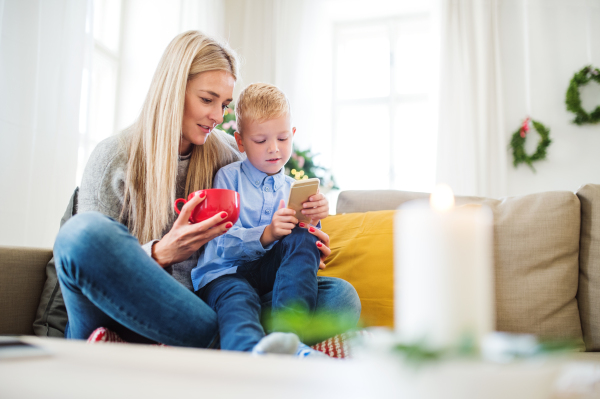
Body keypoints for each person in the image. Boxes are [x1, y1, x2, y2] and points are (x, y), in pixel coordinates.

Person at [53, 30, 360, 348]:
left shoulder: (228, 152)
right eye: (206, 99)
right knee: (82, 235)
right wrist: (162, 252)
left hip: (207, 307)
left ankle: (237, 341)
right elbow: (95, 268)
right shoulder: (114, 157)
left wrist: (301, 245)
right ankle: (235, 343)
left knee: (340, 298)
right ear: (173, 90)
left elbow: (262, 230)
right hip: (133, 309)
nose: (218, 117)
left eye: (224, 104)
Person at [192, 83, 335, 357]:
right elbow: (221, 244)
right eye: (261, 141)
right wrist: (267, 233)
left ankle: (289, 341)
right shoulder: (228, 177)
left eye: (282, 139)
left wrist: (315, 227)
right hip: (225, 274)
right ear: (241, 142)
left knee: (341, 294)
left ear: (292, 135)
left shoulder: (295, 187)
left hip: (272, 280)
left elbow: (302, 250)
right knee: (239, 300)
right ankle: (250, 357)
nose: (274, 149)